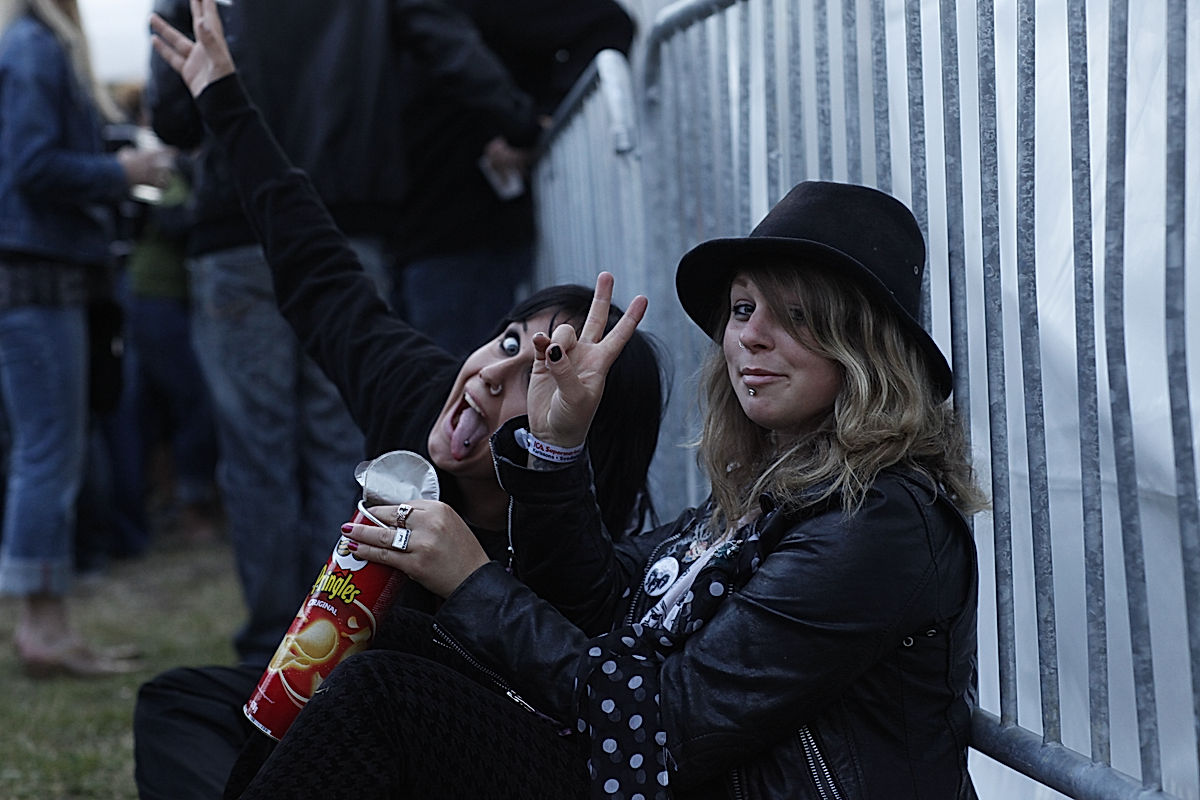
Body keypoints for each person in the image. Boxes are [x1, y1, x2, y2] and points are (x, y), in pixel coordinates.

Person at [155, 4, 984, 798]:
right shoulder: (767, 491)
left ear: (862, 349)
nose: (750, 338)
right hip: (638, 758)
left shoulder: (876, 521)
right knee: (287, 680)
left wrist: (475, 577)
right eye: (741, 310)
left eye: (795, 316)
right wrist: (549, 455)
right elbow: (609, 605)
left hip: (670, 771)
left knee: (386, 698)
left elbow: (667, 719)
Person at [134, 3, 664, 797]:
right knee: (180, 703)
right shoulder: (426, 396)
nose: (492, 373)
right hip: (347, 705)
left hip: (450, 744)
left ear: (581, 436)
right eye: (510, 342)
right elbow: (321, 273)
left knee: (367, 696)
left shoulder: (576, 545)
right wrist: (225, 103)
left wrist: (473, 566)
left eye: (542, 380)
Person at [146, 0, 549, 665]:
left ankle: (271, 646)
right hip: (350, 215)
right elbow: (450, 49)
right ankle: (335, 634)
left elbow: (173, 113)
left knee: (257, 446)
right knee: (346, 442)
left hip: (237, 225)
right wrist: (518, 120)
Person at [0, 0, 171, 677]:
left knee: (46, 452)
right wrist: (123, 172)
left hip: (39, 277)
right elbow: (33, 166)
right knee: (49, 453)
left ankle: (48, 626)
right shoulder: (37, 47)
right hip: (38, 279)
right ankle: (42, 632)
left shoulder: (31, 43)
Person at [394, 0, 636, 356]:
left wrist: (533, 122)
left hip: (461, 229)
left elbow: (605, 22)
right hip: (405, 226)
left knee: (455, 386)